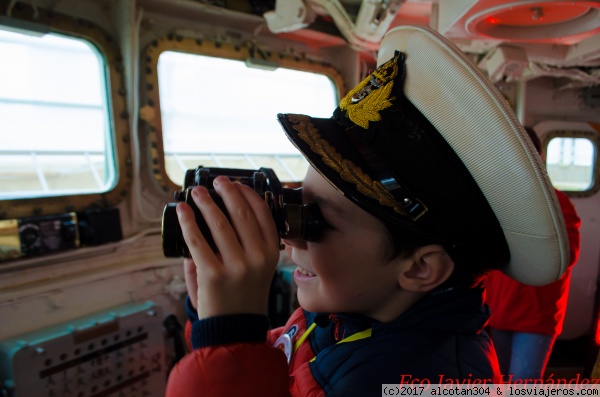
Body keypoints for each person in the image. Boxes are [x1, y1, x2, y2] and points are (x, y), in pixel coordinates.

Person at [165, 25, 570, 396]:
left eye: (318, 220)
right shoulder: (342, 314)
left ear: (419, 269)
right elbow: (284, 363)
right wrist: (219, 326)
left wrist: (228, 341)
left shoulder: (420, 381)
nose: (289, 235)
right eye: (298, 202)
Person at [485, 127, 582, 382]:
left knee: (523, 384)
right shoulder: (497, 202)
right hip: (499, 310)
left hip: (536, 316)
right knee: (498, 381)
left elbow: (566, 256)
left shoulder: (557, 203)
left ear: (538, 157)